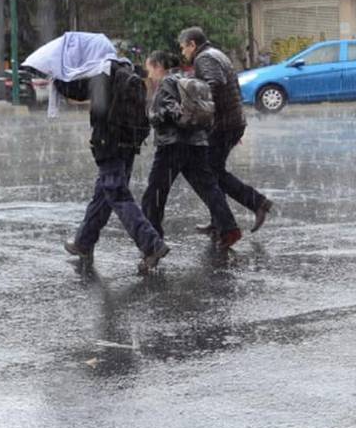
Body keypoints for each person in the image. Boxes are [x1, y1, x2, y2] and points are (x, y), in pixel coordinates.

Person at [60, 59, 171, 274]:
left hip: (108, 143)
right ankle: (83, 242)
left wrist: (57, 78)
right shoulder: (128, 73)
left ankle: (151, 244)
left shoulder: (102, 74)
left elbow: (76, 91)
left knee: (117, 194)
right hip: (128, 143)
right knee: (104, 194)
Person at [178, 27, 273, 247]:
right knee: (212, 171)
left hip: (223, 125)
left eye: (183, 47)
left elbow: (215, 84)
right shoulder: (215, 53)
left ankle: (256, 203)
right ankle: (220, 220)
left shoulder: (204, 58)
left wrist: (195, 103)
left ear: (192, 44)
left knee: (210, 173)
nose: (183, 53)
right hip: (229, 123)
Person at [140, 50, 242, 250]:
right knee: (208, 188)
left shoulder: (167, 83)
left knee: (155, 193)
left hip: (172, 146)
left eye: (149, 68)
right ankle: (230, 229)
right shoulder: (191, 79)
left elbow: (170, 113)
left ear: (158, 65)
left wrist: (153, 116)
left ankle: (151, 239)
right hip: (196, 143)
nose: (149, 74)